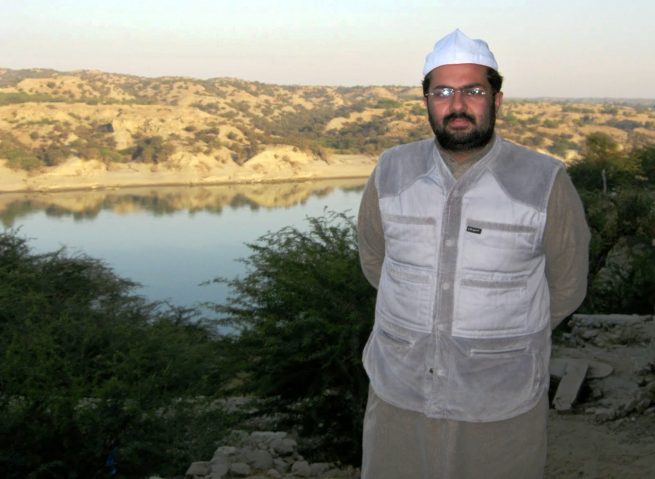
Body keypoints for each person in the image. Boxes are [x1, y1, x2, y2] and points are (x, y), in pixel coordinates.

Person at [357, 29, 590, 479]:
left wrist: (496, 340)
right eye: (442, 91)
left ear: (496, 100)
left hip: (500, 402)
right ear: (426, 100)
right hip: (400, 393)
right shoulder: (391, 170)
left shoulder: (544, 181)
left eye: (472, 91)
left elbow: (566, 288)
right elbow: (375, 264)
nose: (457, 104)